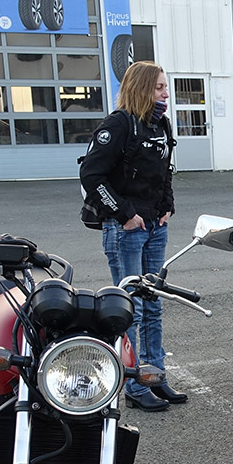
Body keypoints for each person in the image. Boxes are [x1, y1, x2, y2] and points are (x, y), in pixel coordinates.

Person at [79, 60, 186, 412]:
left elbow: (165, 171)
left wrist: (167, 204)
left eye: (165, 87)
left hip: (156, 227)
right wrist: (125, 214)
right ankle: (134, 386)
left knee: (153, 305)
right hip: (126, 231)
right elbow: (91, 175)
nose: (165, 93)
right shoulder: (118, 124)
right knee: (132, 310)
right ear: (141, 88)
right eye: (159, 88)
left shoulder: (161, 124)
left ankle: (157, 378)